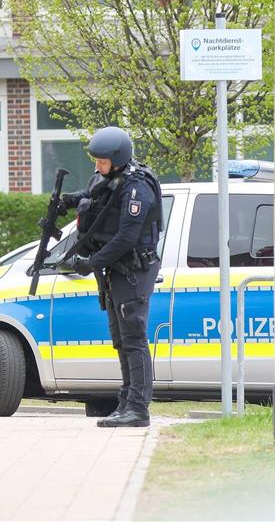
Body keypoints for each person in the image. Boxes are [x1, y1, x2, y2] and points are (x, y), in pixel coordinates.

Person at [58, 127, 163, 428]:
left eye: (101, 161)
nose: (97, 166)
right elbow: (95, 194)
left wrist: (90, 262)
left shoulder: (137, 189)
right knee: (121, 339)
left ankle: (138, 409)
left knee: (133, 338)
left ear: (117, 158)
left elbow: (126, 238)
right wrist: (69, 201)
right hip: (116, 271)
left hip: (133, 270)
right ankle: (125, 402)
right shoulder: (112, 179)